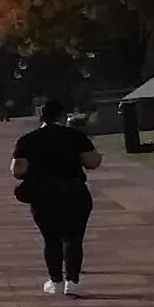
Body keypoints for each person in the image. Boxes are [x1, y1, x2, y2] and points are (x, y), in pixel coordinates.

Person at [14, 93, 101, 296]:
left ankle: (56, 281)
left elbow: (17, 170)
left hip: (43, 193)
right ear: (62, 116)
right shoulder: (75, 136)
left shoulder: (28, 140)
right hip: (73, 189)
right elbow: (93, 161)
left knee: (51, 238)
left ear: (41, 117)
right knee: (73, 237)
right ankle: (73, 280)